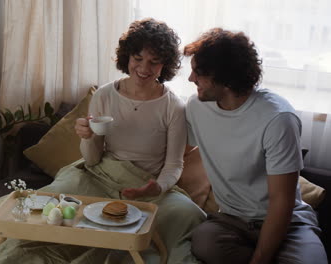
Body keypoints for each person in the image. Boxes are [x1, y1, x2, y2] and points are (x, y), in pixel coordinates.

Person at [42, 18, 206, 263]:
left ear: (165, 65)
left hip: (147, 186)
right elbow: (92, 159)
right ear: (127, 57)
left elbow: (174, 165)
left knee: (189, 213)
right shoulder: (104, 95)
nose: (144, 68)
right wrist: (87, 137)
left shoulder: (174, 107)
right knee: (52, 201)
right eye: (138, 58)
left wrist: (158, 187)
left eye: (154, 62)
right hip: (100, 176)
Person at [183, 28, 328, 264]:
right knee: (204, 243)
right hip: (231, 221)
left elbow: (282, 202)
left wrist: (259, 259)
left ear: (226, 78)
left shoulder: (278, 118)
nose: (191, 79)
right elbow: (183, 153)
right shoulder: (196, 107)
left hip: (288, 223)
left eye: (198, 73)